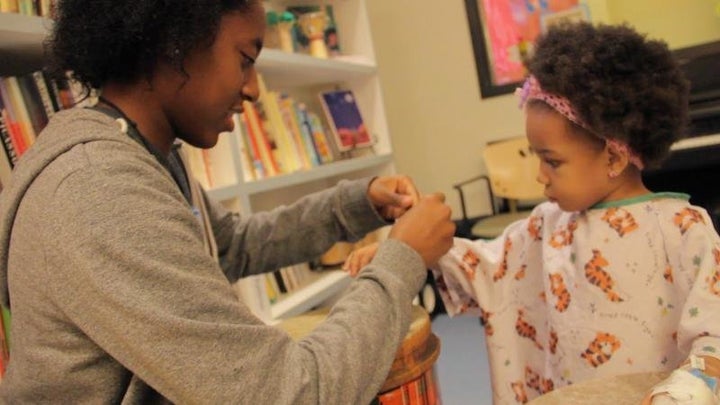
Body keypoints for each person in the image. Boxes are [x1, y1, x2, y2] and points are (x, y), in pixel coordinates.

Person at [0, 0, 456, 403]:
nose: (254, 89)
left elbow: (232, 245)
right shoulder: (98, 189)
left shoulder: (142, 153)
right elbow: (290, 394)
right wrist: (403, 258)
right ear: (173, 41)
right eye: (244, 59)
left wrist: (357, 203)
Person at [344, 22, 720, 404]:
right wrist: (407, 255)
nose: (539, 175)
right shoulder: (545, 226)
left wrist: (684, 392)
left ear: (613, 156)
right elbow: (486, 267)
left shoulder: (684, 231)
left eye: (552, 161)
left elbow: (714, 337)